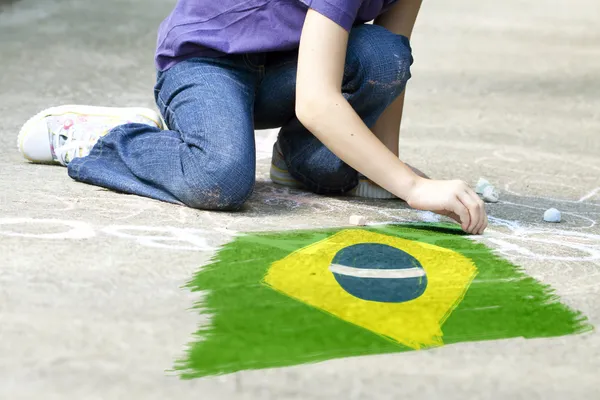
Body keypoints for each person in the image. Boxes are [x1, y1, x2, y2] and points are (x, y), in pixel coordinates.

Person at [17, 0, 488, 234]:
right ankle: (106, 139)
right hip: (208, 61)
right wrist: (412, 187)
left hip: (289, 68)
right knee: (218, 178)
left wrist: (391, 170)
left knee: (385, 55)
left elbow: (390, 63)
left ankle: (297, 159)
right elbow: (316, 101)